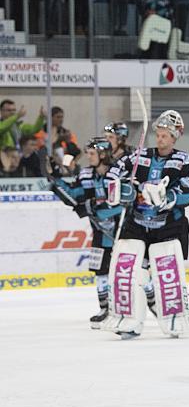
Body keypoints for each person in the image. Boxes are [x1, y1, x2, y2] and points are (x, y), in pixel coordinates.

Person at [105, 110, 189, 338]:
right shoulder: (139, 156)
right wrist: (120, 188)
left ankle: (174, 318)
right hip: (137, 224)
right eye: (158, 134)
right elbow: (113, 173)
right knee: (126, 269)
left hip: (169, 225)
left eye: (165, 135)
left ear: (175, 136)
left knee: (168, 273)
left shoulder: (183, 160)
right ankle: (127, 319)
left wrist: (168, 197)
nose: (160, 138)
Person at [49, 138, 123, 329]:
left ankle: (148, 300)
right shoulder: (87, 174)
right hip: (101, 232)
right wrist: (55, 181)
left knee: (132, 269)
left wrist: (93, 208)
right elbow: (74, 195)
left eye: (92, 153)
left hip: (124, 232)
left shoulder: (117, 174)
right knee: (100, 270)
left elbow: (121, 203)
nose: (88, 157)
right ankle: (105, 308)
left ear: (103, 155)